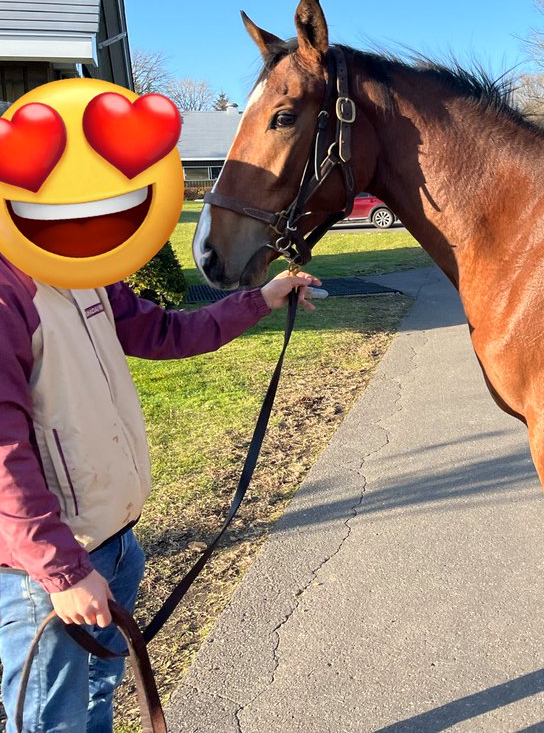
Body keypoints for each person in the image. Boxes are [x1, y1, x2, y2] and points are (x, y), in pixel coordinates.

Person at [0, 252, 320, 733]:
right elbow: (4, 453)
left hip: (116, 543)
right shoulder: (8, 293)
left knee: (96, 695)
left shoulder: (80, 271)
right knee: (53, 723)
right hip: (43, 575)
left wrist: (261, 300)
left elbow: (166, 332)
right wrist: (62, 572)